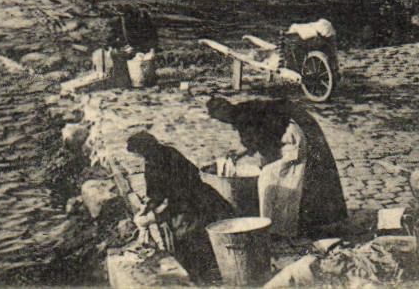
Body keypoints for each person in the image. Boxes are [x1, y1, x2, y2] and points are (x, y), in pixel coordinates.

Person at [206, 95, 347, 237]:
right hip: (297, 124)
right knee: (286, 176)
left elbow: (264, 145)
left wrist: (245, 155)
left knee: (275, 179)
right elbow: (262, 139)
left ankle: (280, 227)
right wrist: (242, 153)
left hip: (295, 134)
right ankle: (290, 223)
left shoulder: (243, 118)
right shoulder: (243, 109)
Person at [126, 132, 234, 282]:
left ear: (144, 149)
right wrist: (147, 206)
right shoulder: (159, 156)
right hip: (190, 199)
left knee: (190, 237)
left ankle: (204, 276)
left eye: (139, 153)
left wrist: (152, 218)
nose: (140, 158)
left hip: (196, 203)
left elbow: (177, 201)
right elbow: (156, 193)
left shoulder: (164, 159)